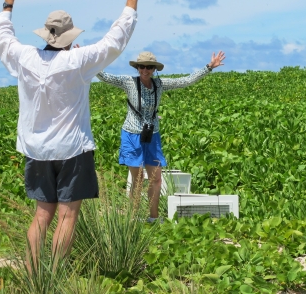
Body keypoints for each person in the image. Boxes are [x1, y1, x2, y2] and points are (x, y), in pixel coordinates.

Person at [0, 0, 143, 268]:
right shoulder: (77, 61)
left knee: (41, 214)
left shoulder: (25, 58)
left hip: (36, 149)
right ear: (69, 37)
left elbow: (2, 38)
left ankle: (35, 272)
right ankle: (57, 271)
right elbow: (114, 41)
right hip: (73, 149)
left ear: (46, 36)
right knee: (67, 214)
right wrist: (131, 0)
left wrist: (8, 4)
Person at [96, 50, 225, 222]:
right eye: (142, 66)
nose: (145, 70)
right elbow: (105, 77)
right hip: (132, 134)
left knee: (156, 178)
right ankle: (132, 219)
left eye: (149, 67)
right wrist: (88, 62)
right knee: (139, 178)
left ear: (154, 69)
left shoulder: (159, 84)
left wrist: (209, 67)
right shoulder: (129, 82)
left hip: (152, 135)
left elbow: (185, 81)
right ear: (137, 67)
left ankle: (153, 218)